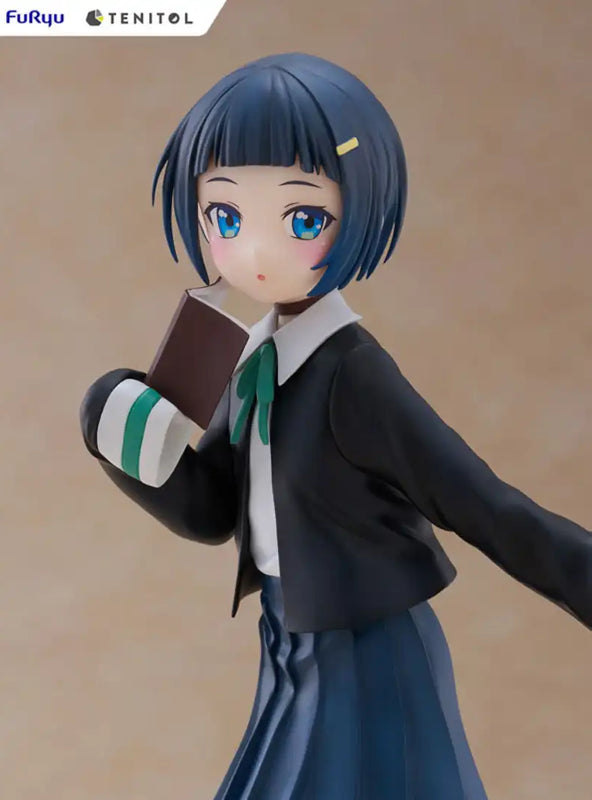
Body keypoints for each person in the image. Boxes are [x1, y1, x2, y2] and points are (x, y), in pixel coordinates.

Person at [79, 53, 592, 799]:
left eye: (303, 219)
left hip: (367, 651)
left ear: (357, 211)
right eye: (226, 217)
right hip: (288, 641)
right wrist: (123, 437)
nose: (257, 252)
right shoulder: (254, 358)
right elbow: (212, 510)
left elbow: (481, 503)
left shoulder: (354, 376)